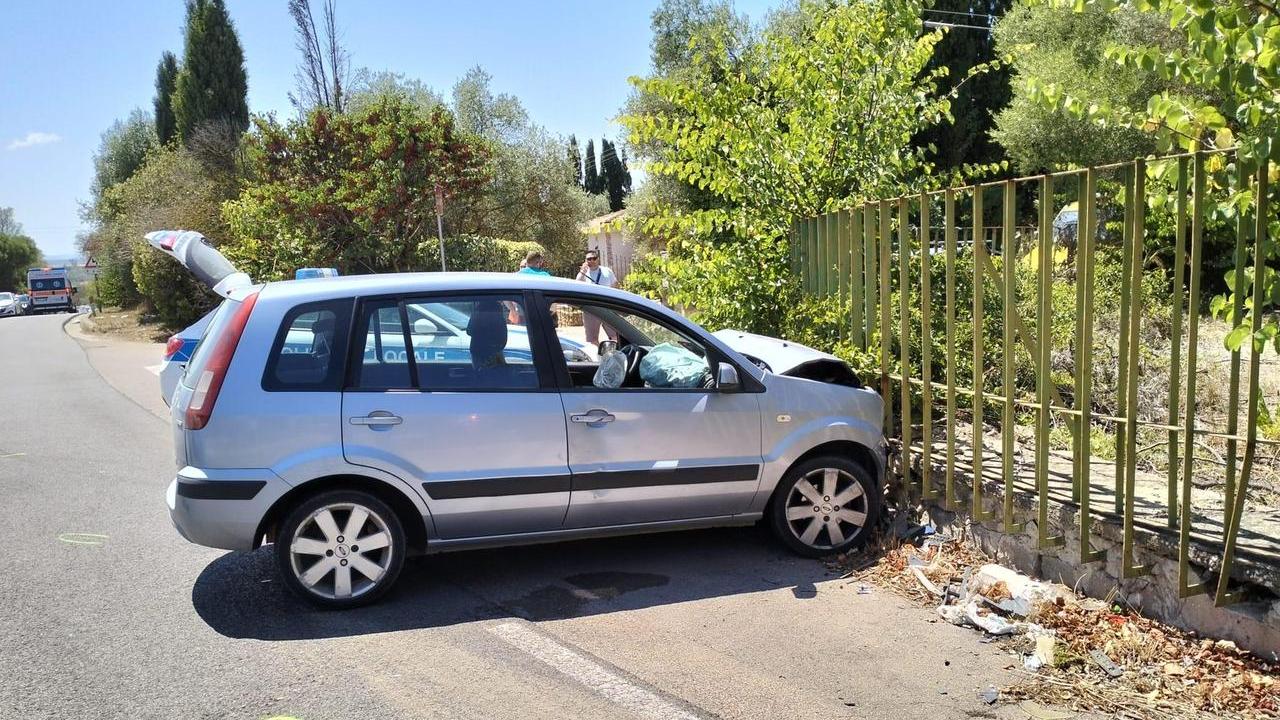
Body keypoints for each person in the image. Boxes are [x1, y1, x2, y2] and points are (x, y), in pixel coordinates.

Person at [575, 249, 618, 344]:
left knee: (614, 336)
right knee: (591, 339)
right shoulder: (583, 274)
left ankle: (613, 355)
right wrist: (582, 272)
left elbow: (615, 285)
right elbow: (576, 287)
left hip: (607, 307)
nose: (591, 261)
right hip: (591, 309)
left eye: (594, 258)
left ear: (597, 259)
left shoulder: (607, 271)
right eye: (589, 259)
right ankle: (598, 357)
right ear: (585, 261)